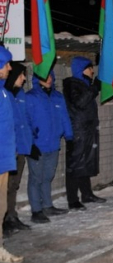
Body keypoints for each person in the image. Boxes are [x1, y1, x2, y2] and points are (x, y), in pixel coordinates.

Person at [25, 71, 73, 223]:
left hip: (53, 143)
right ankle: (36, 210)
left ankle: (47, 206)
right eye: (46, 76)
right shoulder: (30, 97)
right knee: (36, 178)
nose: (49, 79)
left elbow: (64, 117)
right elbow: (26, 122)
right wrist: (30, 143)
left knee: (47, 177)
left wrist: (69, 136)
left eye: (51, 76)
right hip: (37, 145)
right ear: (37, 79)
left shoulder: (58, 97)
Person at [63, 57, 106, 211]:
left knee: (85, 163)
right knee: (75, 165)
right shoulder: (72, 85)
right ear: (81, 70)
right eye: (89, 68)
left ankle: (87, 194)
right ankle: (73, 200)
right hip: (78, 132)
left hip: (87, 131)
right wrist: (94, 89)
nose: (92, 71)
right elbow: (80, 103)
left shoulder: (83, 85)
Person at [3, 63, 32, 237]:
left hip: (19, 148)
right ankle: (4, 219)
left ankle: (11, 216)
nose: (23, 78)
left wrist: (30, 144)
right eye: (21, 75)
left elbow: (25, 122)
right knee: (4, 187)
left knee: (13, 186)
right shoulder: (4, 95)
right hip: (7, 149)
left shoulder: (20, 95)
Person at [0, 48, 23, 263]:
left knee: (1, 208)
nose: (10, 67)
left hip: (5, 160)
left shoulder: (4, 93)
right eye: (6, 64)